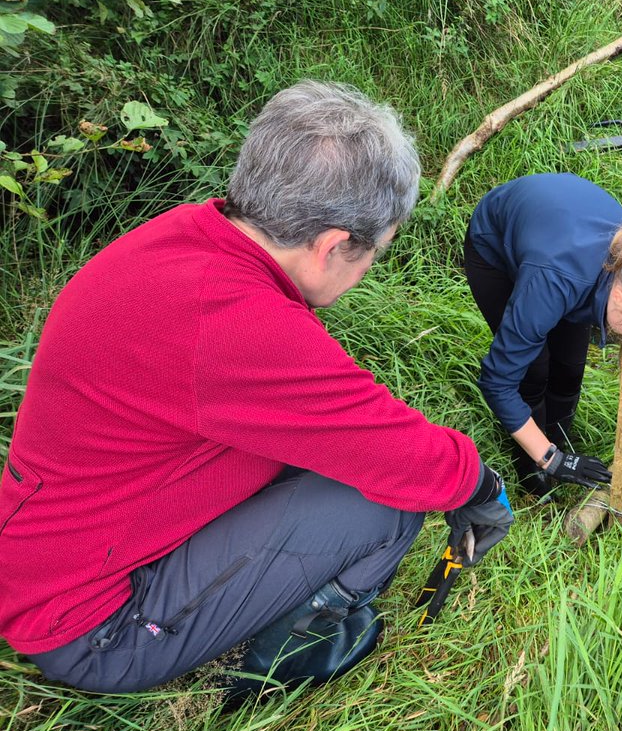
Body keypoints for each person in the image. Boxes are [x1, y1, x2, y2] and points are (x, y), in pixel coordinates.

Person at [0, 81, 512, 699]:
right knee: (391, 501)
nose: (368, 267)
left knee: (348, 464)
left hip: (59, 550)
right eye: (373, 252)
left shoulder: (185, 236)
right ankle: (278, 657)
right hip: (92, 626)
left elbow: (343, 419)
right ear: (330, 245)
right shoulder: (230, 322)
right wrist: (480, 486)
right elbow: (395, 449)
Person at [464, 173, 622, 515]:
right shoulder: (555, 280)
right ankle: (534, 467)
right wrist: (552, 460)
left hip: (559, 242)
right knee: (532, 369)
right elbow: (497, 381)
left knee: (569, 369)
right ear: (619, 297)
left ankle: (556, 438)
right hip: (497, 249)